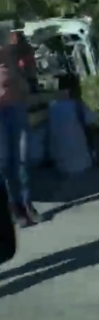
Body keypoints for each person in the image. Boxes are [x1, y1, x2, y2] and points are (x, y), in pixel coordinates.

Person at [0, 31, 39, 226]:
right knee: (4, 161)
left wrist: (17, 41)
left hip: (16, 105)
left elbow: (28, 56)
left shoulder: (9, 39)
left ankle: (27, 203)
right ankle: (13, 207)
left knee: (22, 158)